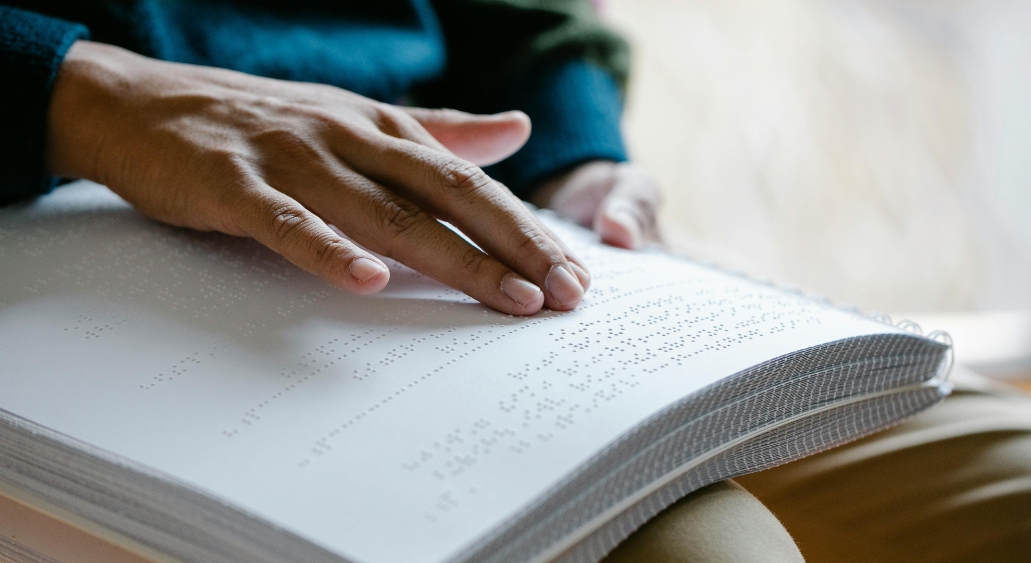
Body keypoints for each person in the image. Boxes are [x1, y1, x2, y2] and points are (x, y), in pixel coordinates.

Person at [2, 2, 1029, 562]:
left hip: (460, 214)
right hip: (53, 214)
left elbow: (523, 19)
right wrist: (79, 90)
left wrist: (574, 158)